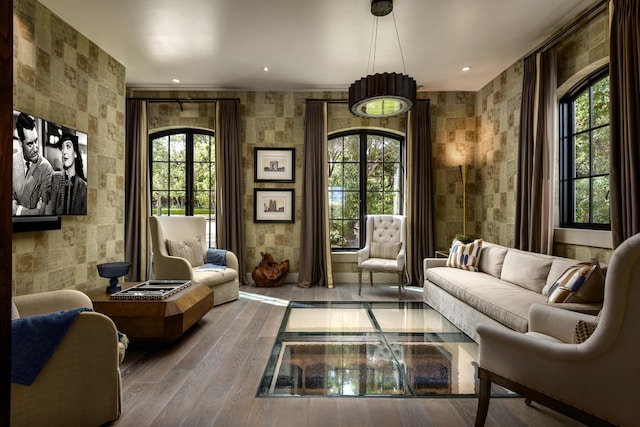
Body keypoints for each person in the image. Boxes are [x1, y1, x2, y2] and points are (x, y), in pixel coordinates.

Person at [12, 112, 53, 216]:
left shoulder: (46, 168)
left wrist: (16, 210)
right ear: (20, 142)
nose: (35, 148)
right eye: (30, 144)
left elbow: (41, 211)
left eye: (36, 141)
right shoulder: (12, 162)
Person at [46, 133, 87, 215]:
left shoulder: (83, 187)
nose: (64, 151)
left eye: (68, 146)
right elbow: (49, 212)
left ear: (75, 153)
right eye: (62, 147)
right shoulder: (55, 178)